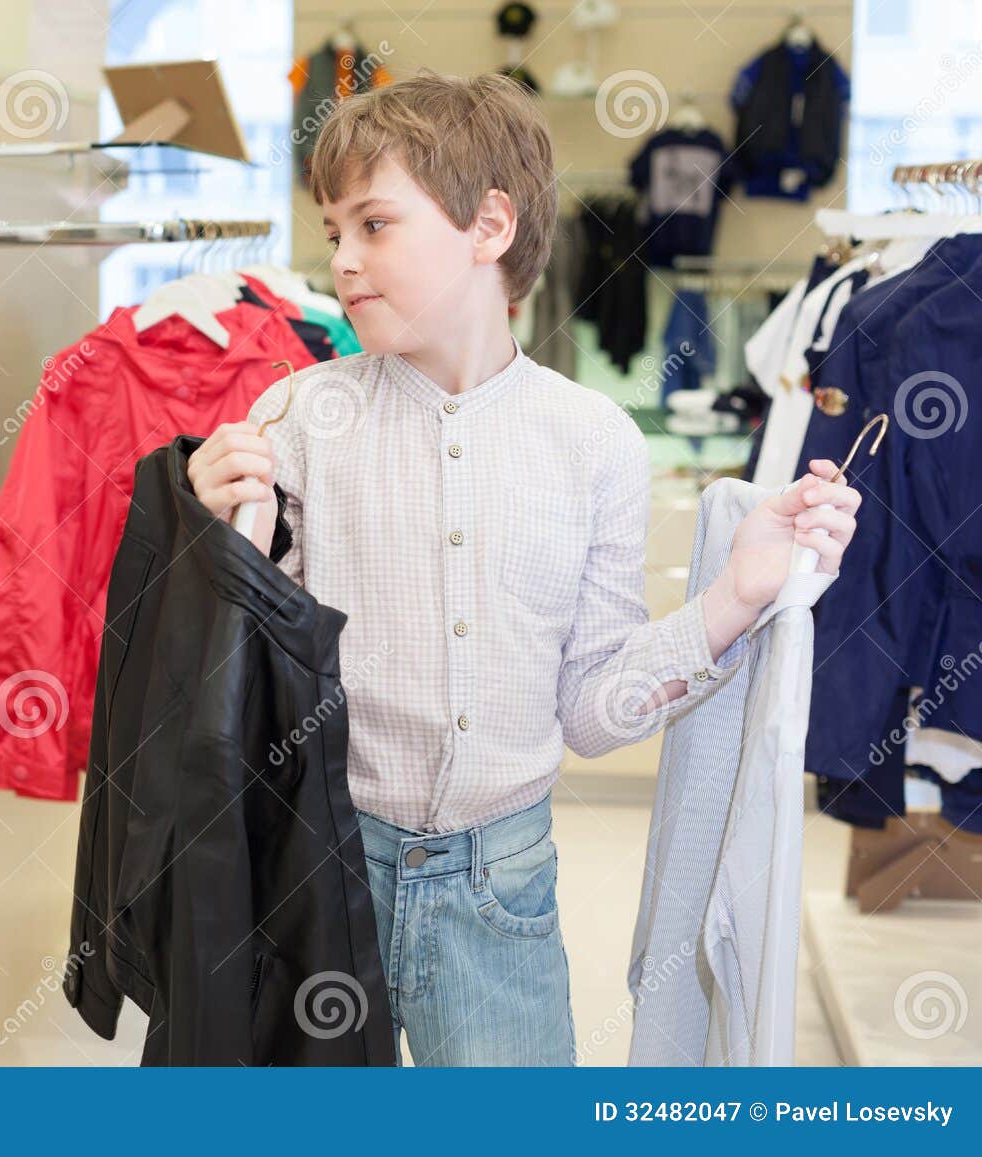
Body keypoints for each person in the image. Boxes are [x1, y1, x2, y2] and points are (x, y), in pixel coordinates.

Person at [186, 72, 861, 1066]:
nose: (341, 261)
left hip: (502, 897)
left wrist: (737, 594)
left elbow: (592, 712)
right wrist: (202, 535)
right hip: (317, 875)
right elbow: (219, 687)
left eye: (372, 224)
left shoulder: (594, 442)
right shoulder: (296, 420)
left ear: (488, 225)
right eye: (331, 233)